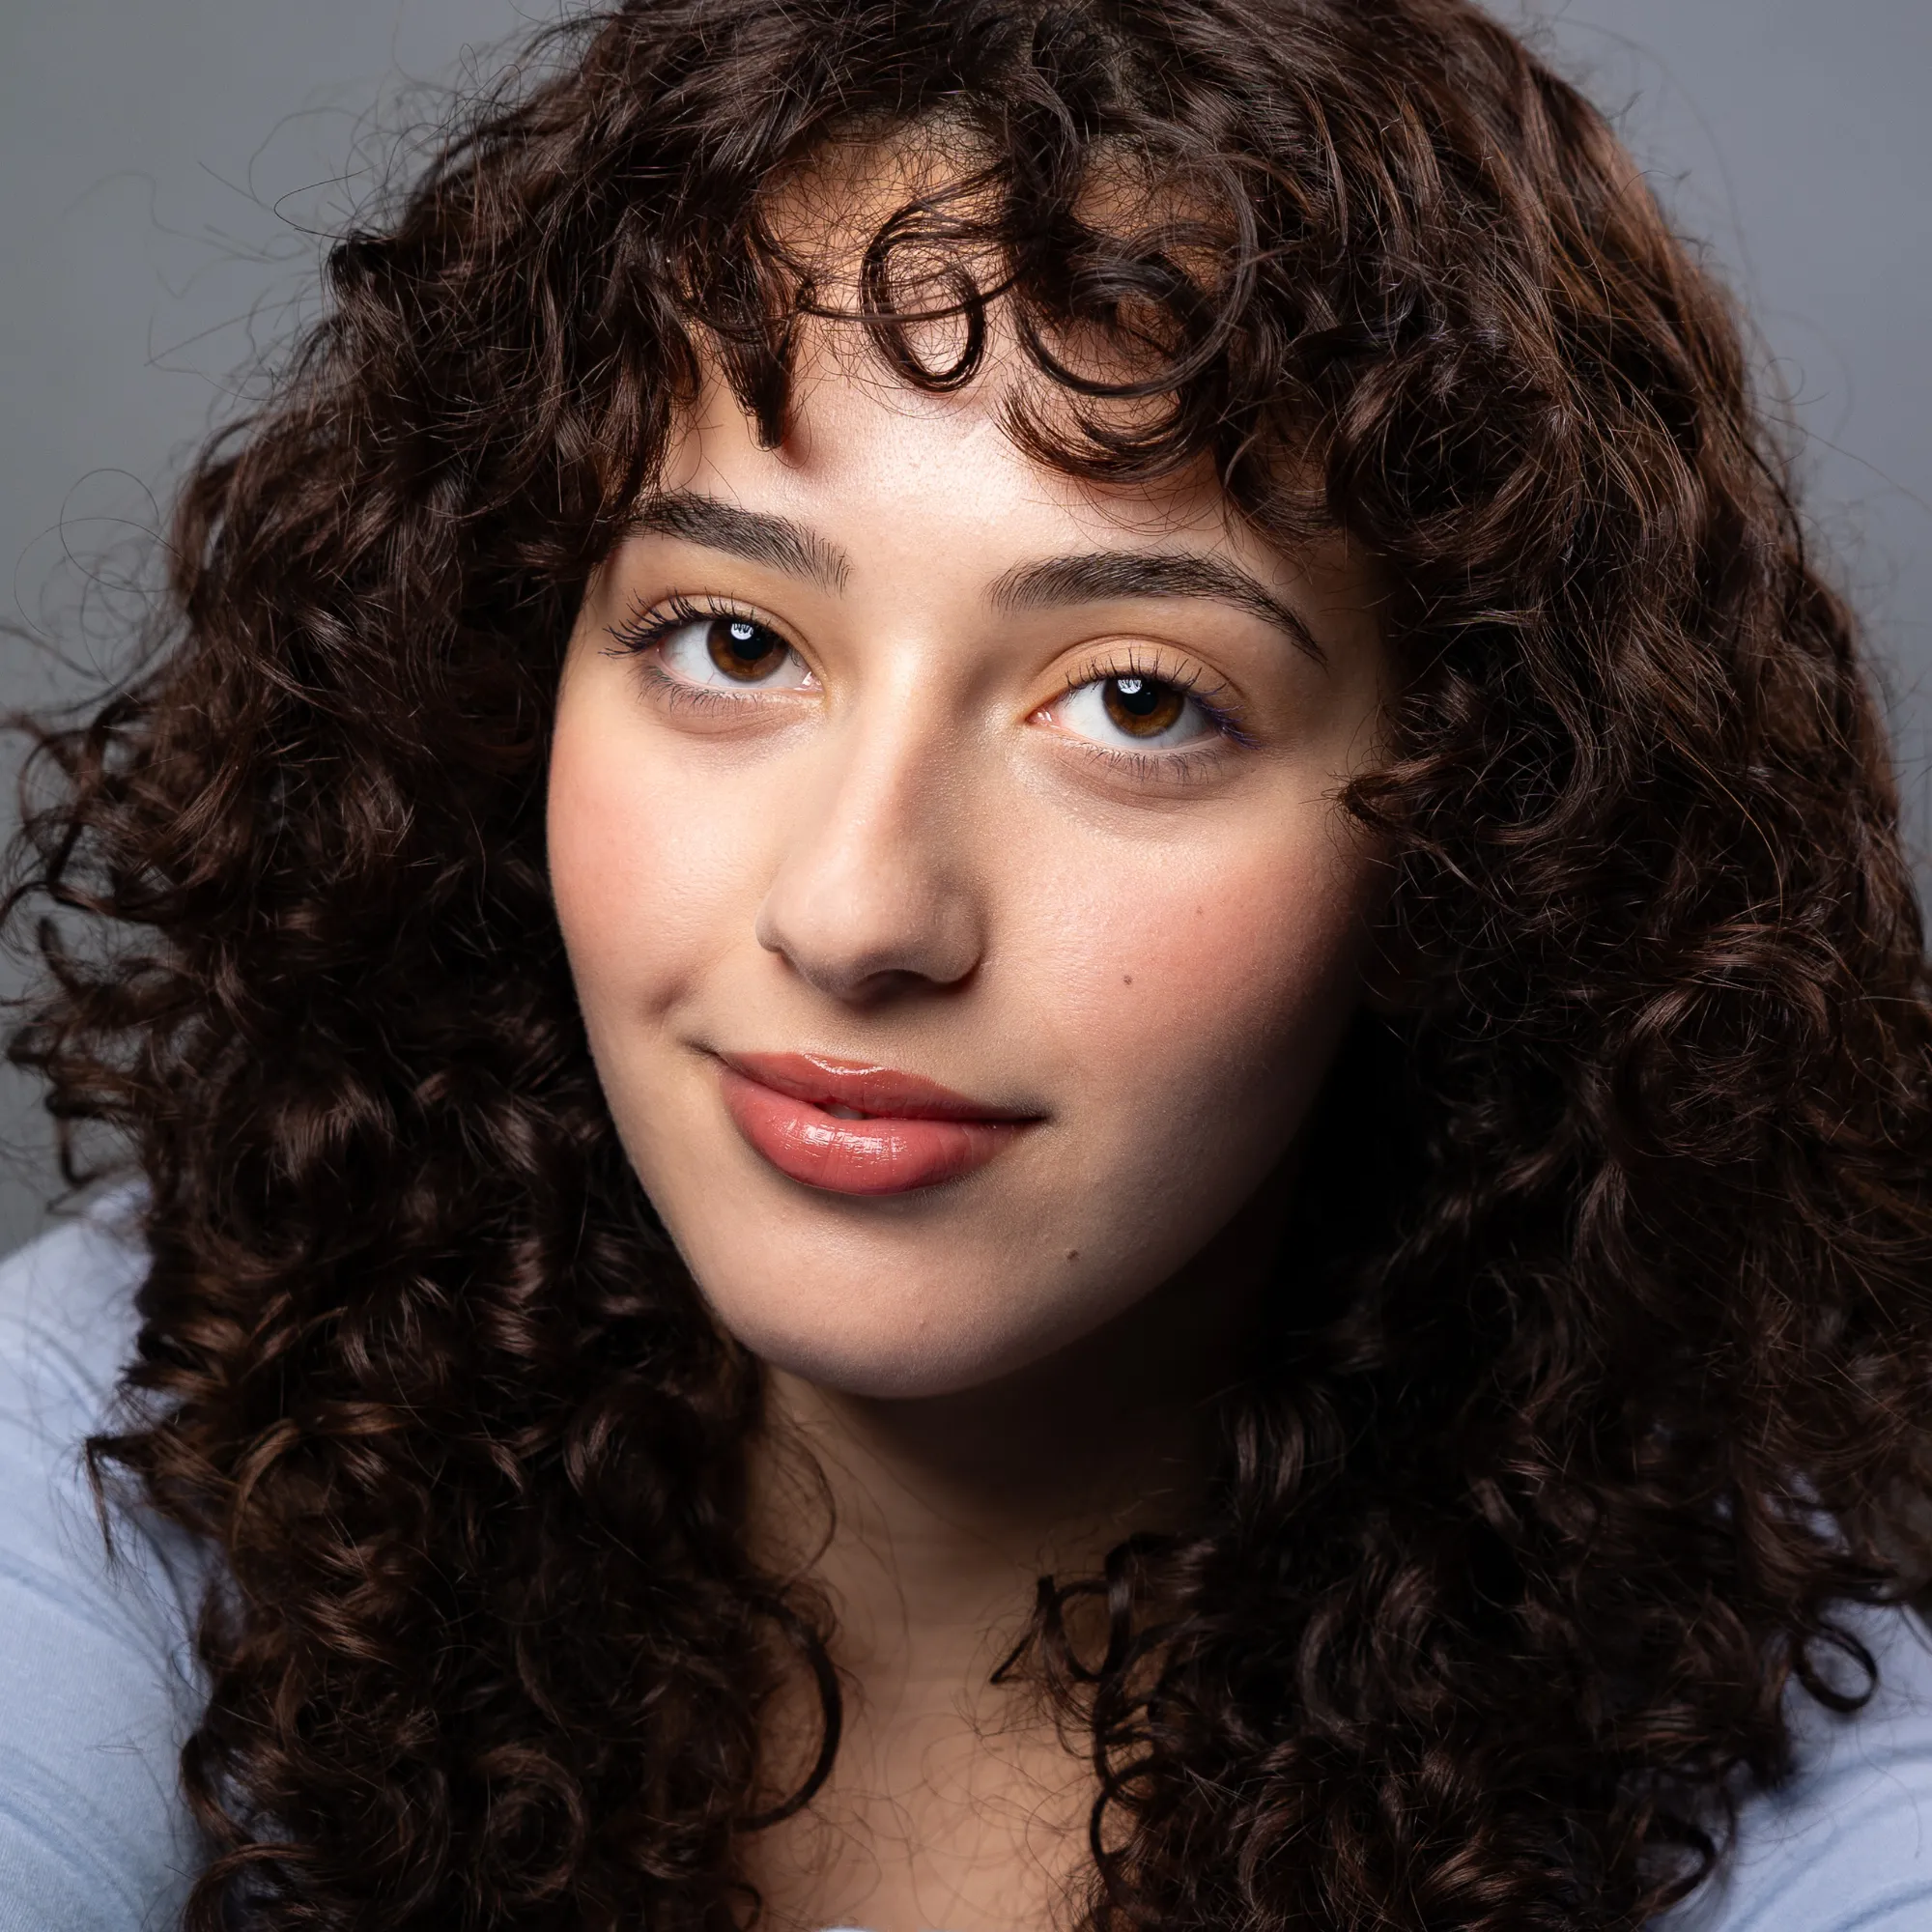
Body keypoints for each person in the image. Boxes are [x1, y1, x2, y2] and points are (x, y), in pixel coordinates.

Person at [3, 1, 1931, 1927]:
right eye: (733, 644)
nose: (855, 915)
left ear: (1486, 835)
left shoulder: (1804, 1800)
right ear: (511, 685)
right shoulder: (138, 1428)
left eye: (1137, 698)